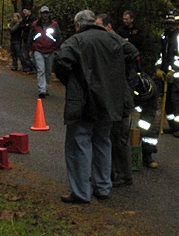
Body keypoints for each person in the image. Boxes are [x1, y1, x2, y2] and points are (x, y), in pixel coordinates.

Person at [54, 10, 126, 203]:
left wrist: (72, 80)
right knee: (103, 142)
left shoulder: (76, 41)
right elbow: (130, 54)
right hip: (109, 101)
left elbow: (60, 60)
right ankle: (103, 187)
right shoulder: (113, 40)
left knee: (79, 144)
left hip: (85, 101)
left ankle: (80, 192)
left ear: (78, 25)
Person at [95, 13, 139, 187]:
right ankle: (111, 172)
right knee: (112, 136)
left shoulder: (116, 41)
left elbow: (133, 52)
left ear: (109, 27)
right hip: (113, 97)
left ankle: (125, 175)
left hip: (122, 99)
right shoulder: (107, 44)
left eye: (99, 26)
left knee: (120, 138)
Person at [155, 11, 179, 138]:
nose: (170, 26)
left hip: (178, 76)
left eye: (172, 24)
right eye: (168, 24)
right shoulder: (164, 36)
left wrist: (173, 70)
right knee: (168, 102)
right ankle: (173, 126)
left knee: (177, 101)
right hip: (165, 75)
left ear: (178, 25)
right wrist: (158, 69)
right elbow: (160, 55)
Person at [29, 6, 62, 98]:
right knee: (41, 70)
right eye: (43, 13)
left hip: (50, 50)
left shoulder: (54, 24)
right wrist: (31, 48)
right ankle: (42, 89)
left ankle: (46, 86)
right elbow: (30, 36)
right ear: (41, 14)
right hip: (38, 49)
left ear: (49, 14)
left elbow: (58, 37)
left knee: (48, 71)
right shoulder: (35, 24)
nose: (45, 15)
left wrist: (56, 48)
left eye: (46, 13)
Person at [133, 72, 160, 168]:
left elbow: (150, 113)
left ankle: (148, 154)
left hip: (146, 110)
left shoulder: (153, 92)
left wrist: (140, 132)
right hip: (129, 105)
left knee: (150, 129)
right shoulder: (128, 85)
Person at [20, 6, 37, 73]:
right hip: (25, 37)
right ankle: (29, 67)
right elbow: (22, 25)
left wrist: (26, 26)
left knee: (30, 53)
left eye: (25, 11)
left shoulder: (33, 18)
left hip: (31, 38)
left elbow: (30, 26)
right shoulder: (25, 18)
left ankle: (33, 68)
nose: (24, 12)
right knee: (26, 53)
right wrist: (25, 25)